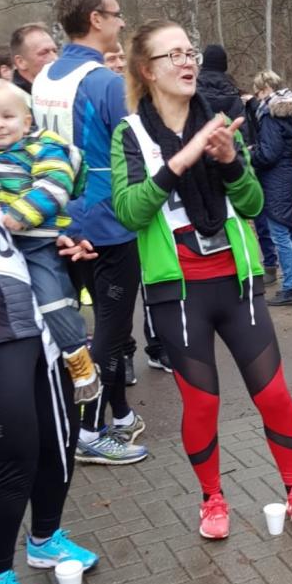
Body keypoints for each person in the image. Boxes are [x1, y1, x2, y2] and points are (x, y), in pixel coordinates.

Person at [111, 18, 292, 538]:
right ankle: (212, 499)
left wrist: (230, 161)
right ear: (147, 70)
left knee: (273, 393)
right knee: (203, 403)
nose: (187, 62)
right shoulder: (130, 133)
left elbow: (252, 203)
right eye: (174, 55)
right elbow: (130, 211)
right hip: (178, 292)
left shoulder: (223, 122)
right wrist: (180, 161)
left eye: (190, 53)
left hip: (236, 281)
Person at [0, 62, 98, 584]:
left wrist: (66, 241)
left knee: (56, 444)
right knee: (15, 459)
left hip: (34, 319)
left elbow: (33, 213)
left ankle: (46, 538)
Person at [31, 0, 147, 465]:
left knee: (91, 331)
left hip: (61, 223)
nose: (121, 22)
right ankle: (88, 432)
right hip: (108, 225)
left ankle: (118, 416)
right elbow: (137, 152)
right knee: (111, 334)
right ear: (96, 19)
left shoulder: (44, 77)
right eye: (116, 14)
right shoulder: (105, 82)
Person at [0, 78, 99, 402]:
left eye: (7, 116)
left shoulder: (43, 146)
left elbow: (56, 182)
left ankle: (78, 359)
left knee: (53, 301)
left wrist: (22, 213)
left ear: (26, 121)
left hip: (36, 242)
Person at [102, 41, 172, 379]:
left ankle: (158, 347)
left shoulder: (138, 101)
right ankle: (125, 354)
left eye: (120, 57)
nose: (116, 62)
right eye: (110, 57)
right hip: (110, 211)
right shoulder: (97, 94)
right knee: (119, 294)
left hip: (146, 207)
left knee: (148, 281)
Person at [199, 46, 278, 284]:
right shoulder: (234, 95)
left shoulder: (192, 93)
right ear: (224, 65)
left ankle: (210, 267)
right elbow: (246, 131)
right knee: (248, 211)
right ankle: (264, 263)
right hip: (233, 160)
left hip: (201, 162)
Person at [251, 70, 292, 305]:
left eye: (258, 92)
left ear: (266, 89)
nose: (257, 97)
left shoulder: (271, 114)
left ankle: (289, 289)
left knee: (279, 233)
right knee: (291, 231)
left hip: (276, 179)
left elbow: (269, 153)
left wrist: (250, 155)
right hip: (291, 175)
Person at [10, 23, 58, 95]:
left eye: (55, 51)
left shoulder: (58, 90)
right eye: (44, 53)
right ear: (21, 62)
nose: (55, 58)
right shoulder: (11, 99)